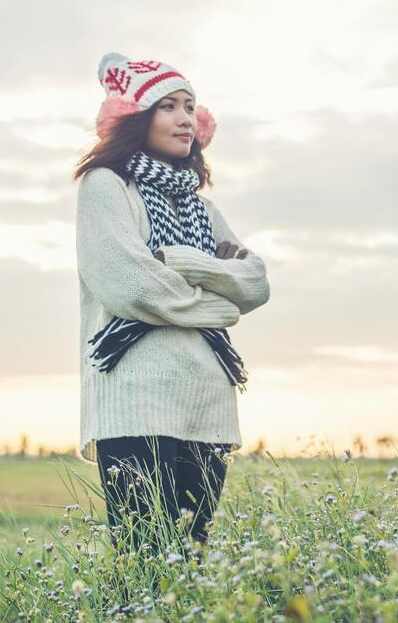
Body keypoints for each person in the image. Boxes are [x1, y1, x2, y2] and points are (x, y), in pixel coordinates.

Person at [73, 52, 270, 559]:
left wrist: (182, 261)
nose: (185, 118)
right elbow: (132, 286)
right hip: (136, 396)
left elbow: (254, 284)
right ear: (136, 119)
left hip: (207, 397)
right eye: (168, 106)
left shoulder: (202, 206)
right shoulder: (107, 187)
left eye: (190, 106)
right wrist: (218, 303)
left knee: (192, 559)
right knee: (144, 559)